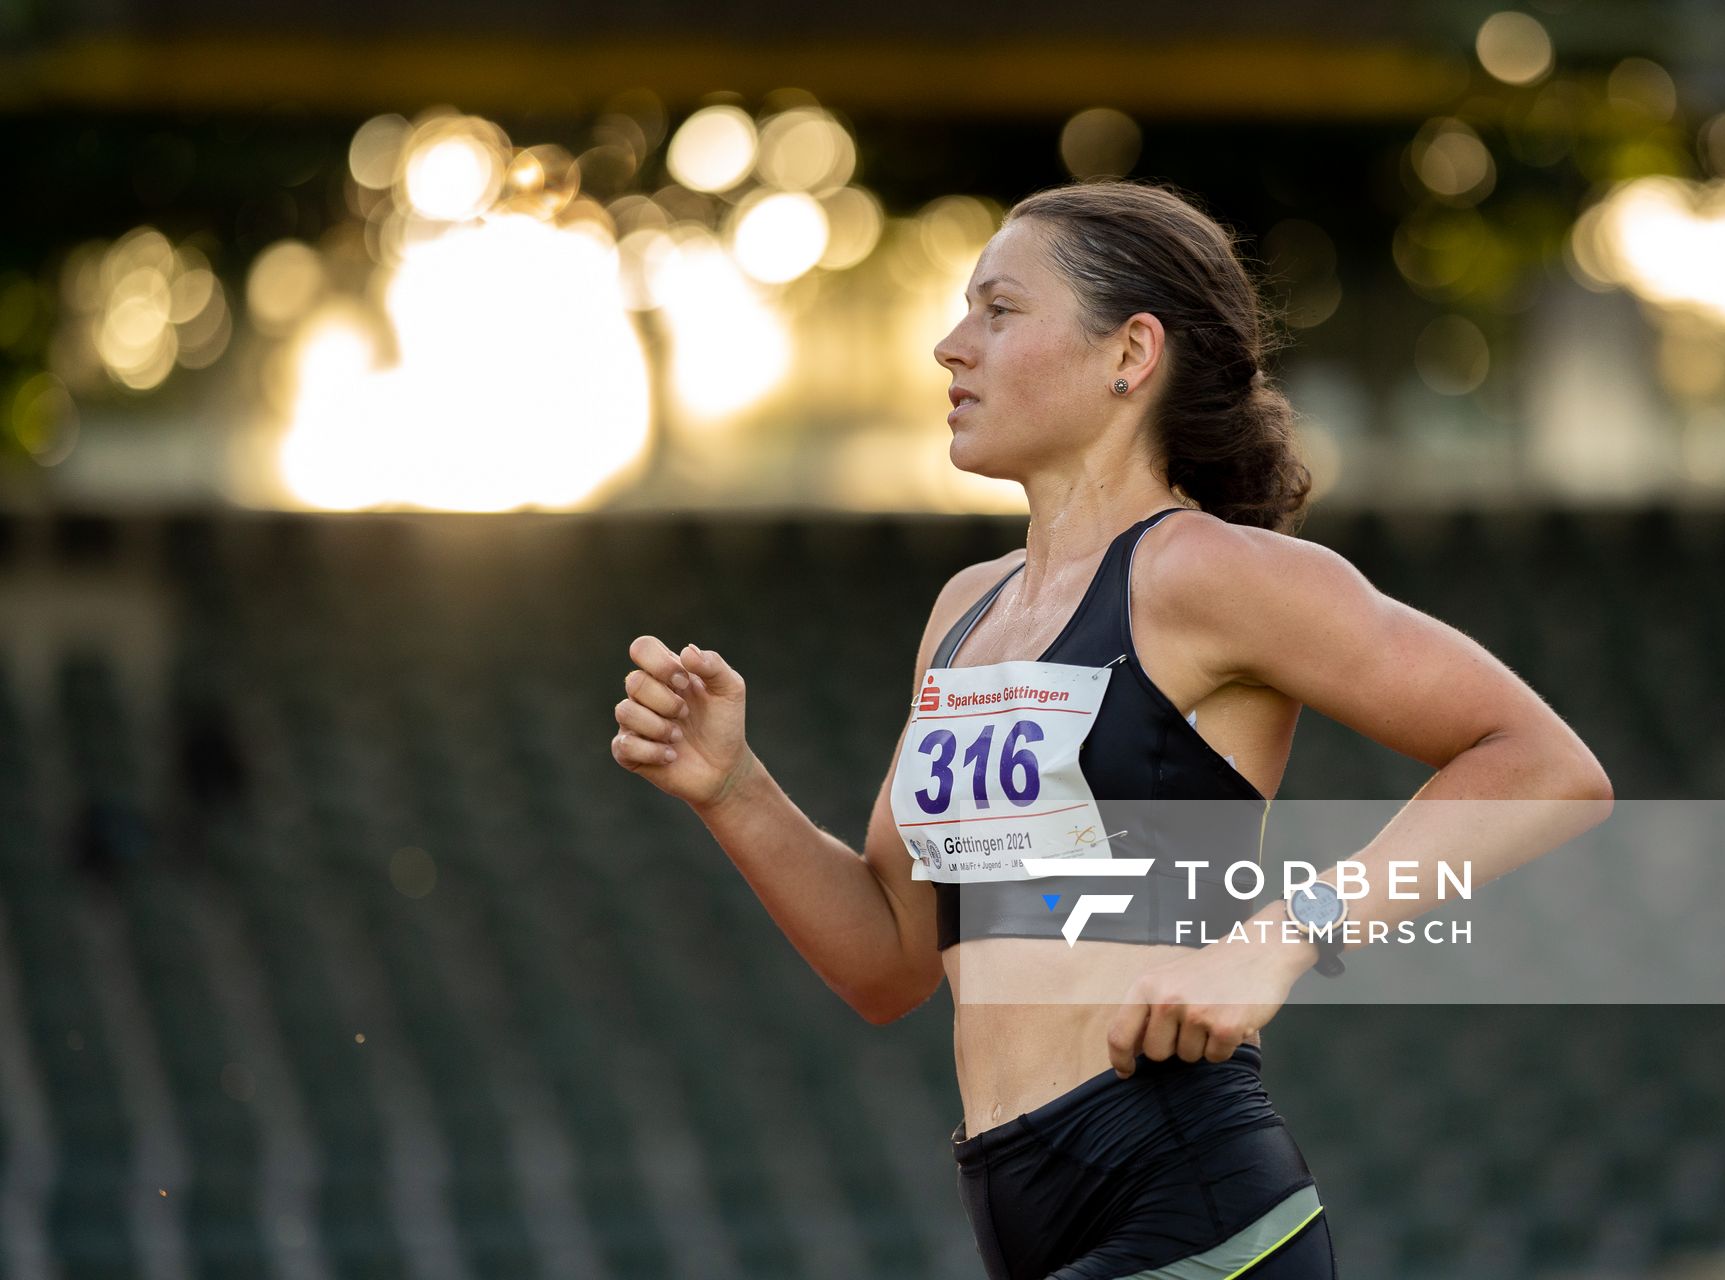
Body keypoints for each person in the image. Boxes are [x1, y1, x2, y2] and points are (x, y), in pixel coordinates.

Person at [613, 179, 1613, 1279]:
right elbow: (891, 960)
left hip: (1185, 1191)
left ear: (1129, 354)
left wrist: (1283, 933)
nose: (952, 346)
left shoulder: (1210, 573)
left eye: (998, 310)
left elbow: (1544, 763)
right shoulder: (965, 613)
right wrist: (732, 786)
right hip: (1019, 1208)